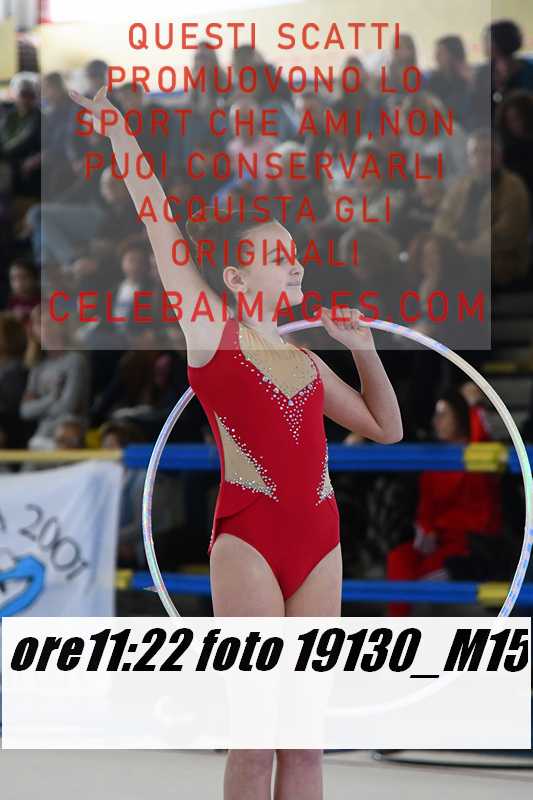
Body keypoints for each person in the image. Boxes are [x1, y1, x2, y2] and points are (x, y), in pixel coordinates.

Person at [69, 84, 403, 800]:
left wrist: (364, 349)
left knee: (304, 743)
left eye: (295, 255)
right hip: (249, 536)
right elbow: (157, 218)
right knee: (254, 738)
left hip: (319, 538)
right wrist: (119, 133)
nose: (295, 266)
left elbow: (386, 428)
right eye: (278, 255)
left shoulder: (307, 359)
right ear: (234, 274)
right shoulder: (210, 329)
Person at [386, 389, 503, 615]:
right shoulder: (434, 461)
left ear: (459, 416)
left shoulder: (477, 452)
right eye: (435, 415)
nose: (435, 421)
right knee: (399, 559)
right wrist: (426, 532)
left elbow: (481, 435)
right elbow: (426, 511)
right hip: (436, 542)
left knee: (422, 586)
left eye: (442, 414)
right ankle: (396, 625)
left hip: (468, 544)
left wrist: (474, 405)